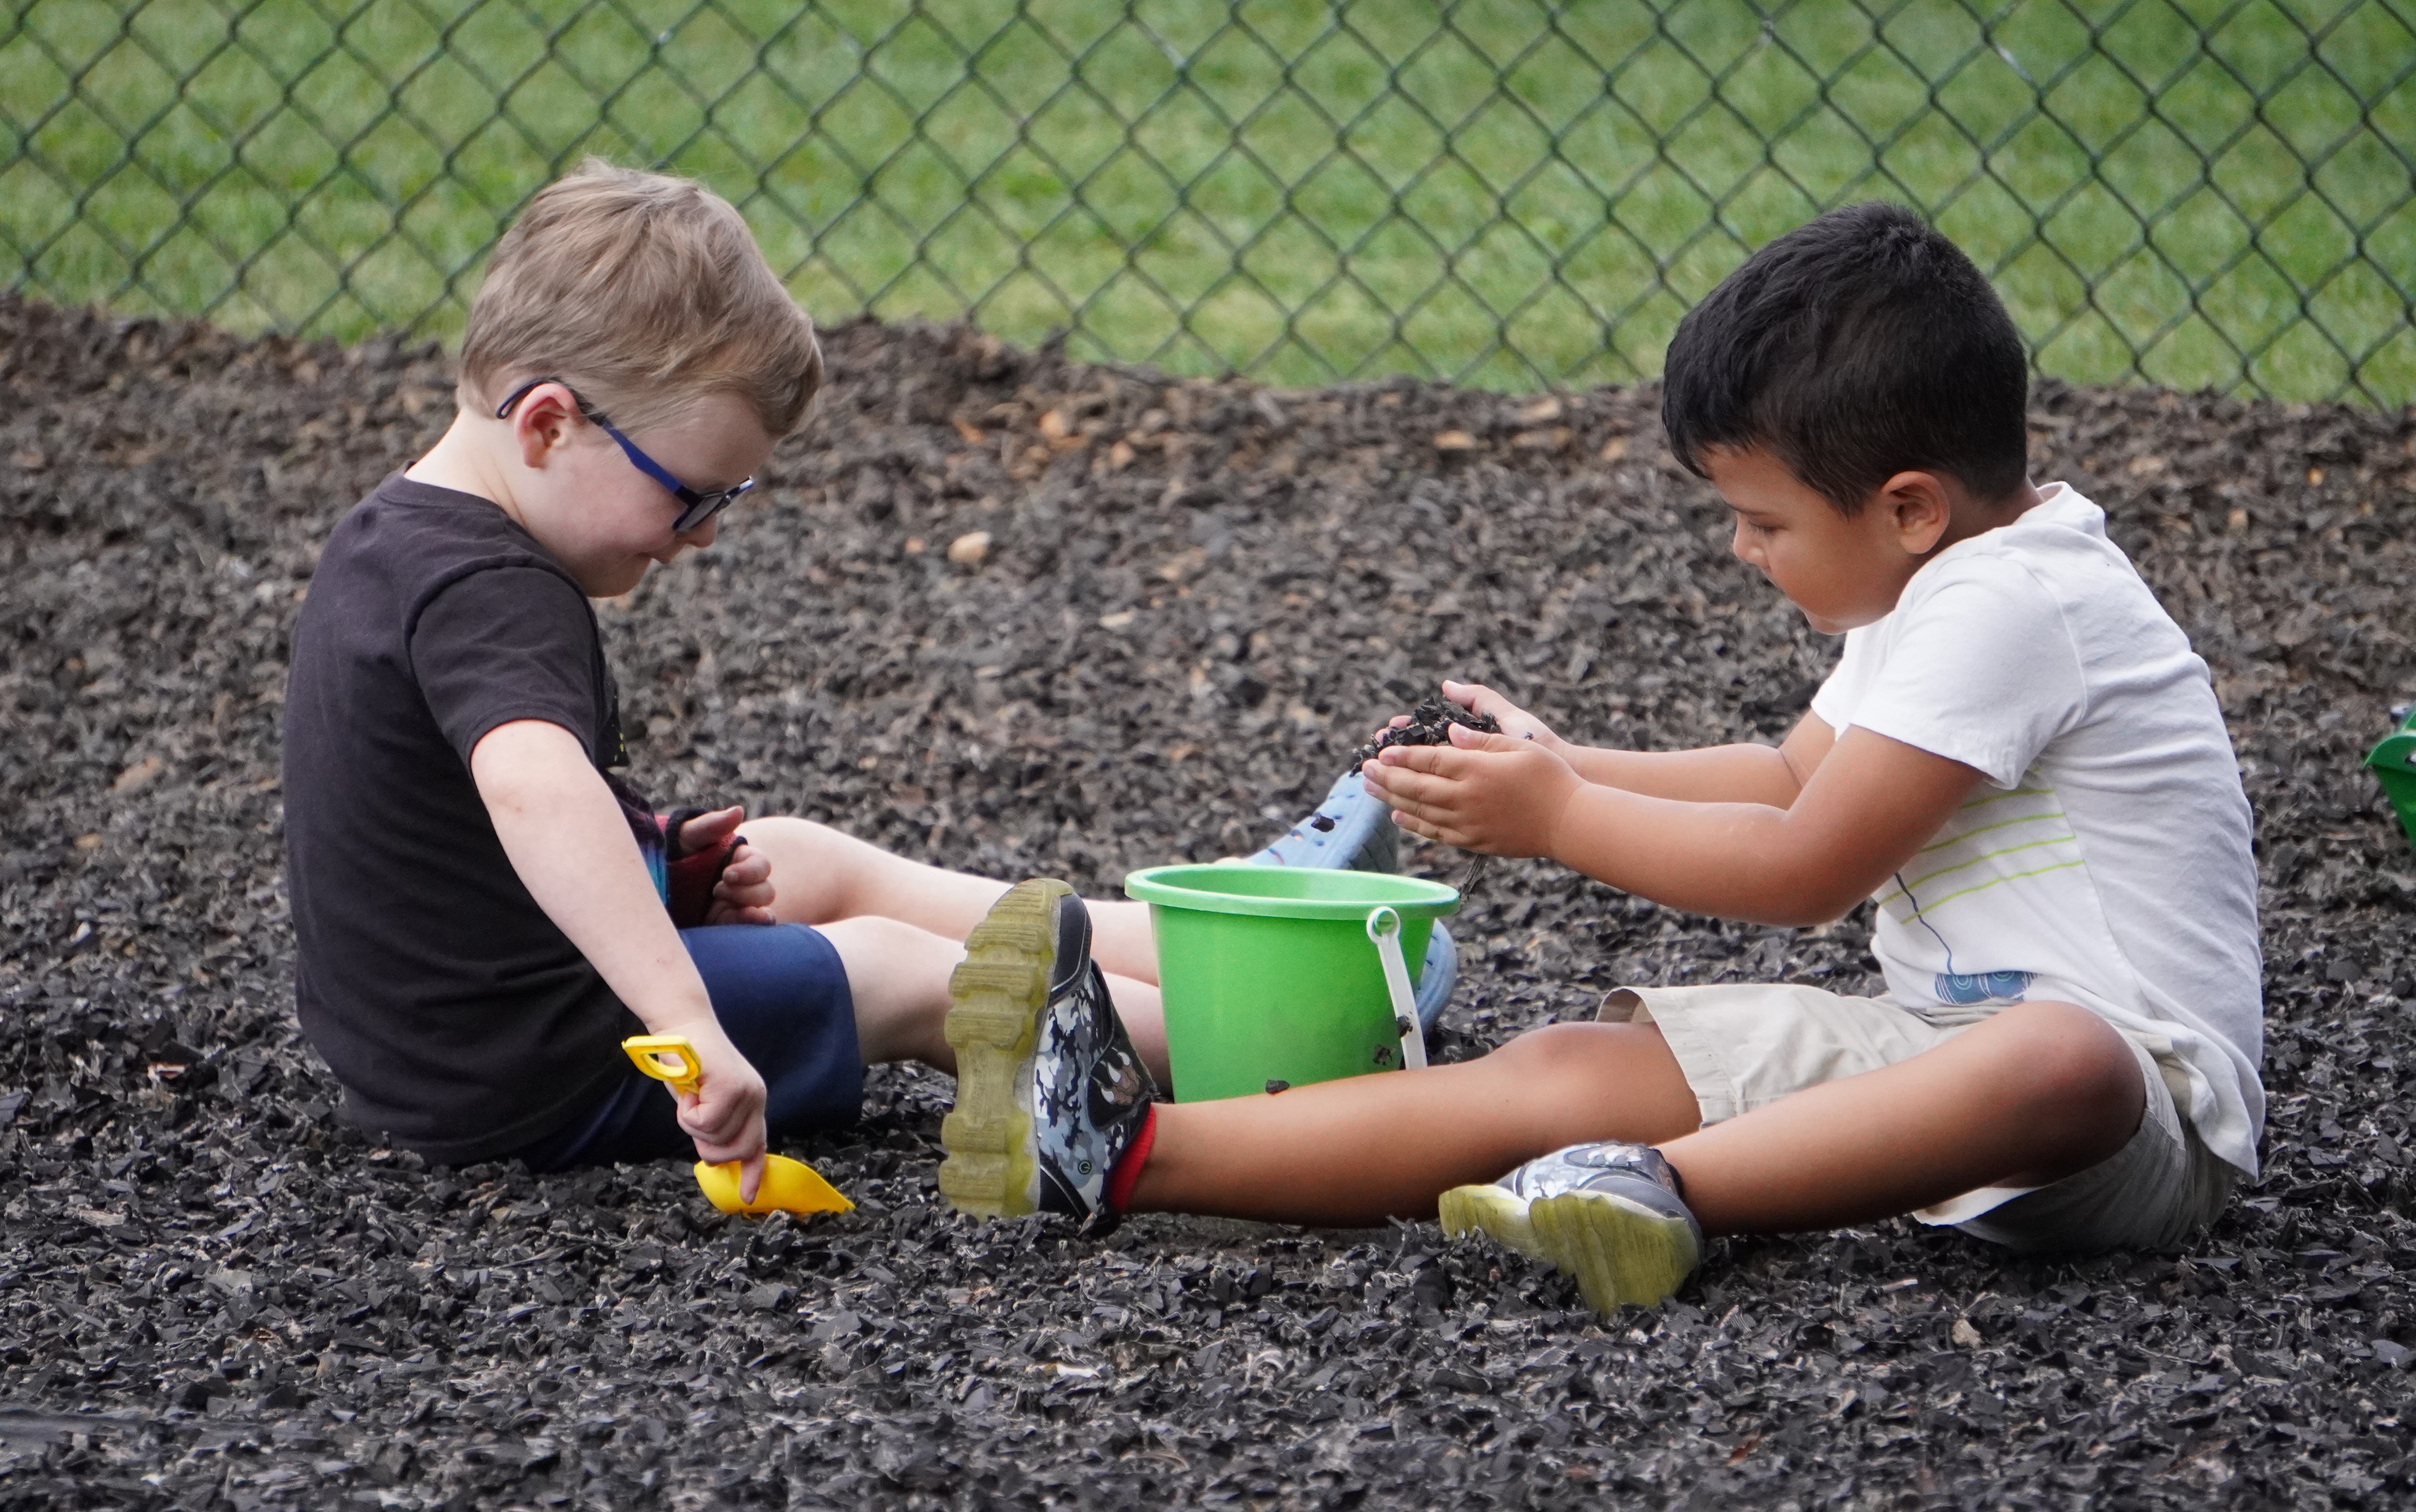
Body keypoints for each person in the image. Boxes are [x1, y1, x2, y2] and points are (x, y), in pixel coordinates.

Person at [935, 201, 2264, 1313]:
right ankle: (1126, 1148)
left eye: (1763, 521)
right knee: (1572, 1064)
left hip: (2139, 1113)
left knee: (2059, 1056)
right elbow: (1792, 777)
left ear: (1908, 506)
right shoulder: (1940, 588)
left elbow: (1807, 866)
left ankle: (1656, 1192)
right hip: (1934, 1051)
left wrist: (1561, 814)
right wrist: (1566, 762)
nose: (1744, 550)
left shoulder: (2011, 605)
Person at [283, 160, 1449, 1198]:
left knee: (806, 860)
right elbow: (535, 789)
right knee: (898, 971)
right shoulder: (500, 590)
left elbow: (455, 840)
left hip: (442, 1043)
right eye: (691, 495)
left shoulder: (400, 539)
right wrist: (685, 1021)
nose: (700, 536)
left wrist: (656, 860)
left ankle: (1201, 940)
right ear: (548, 424)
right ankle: (1278, 1049)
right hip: (539, 1063)